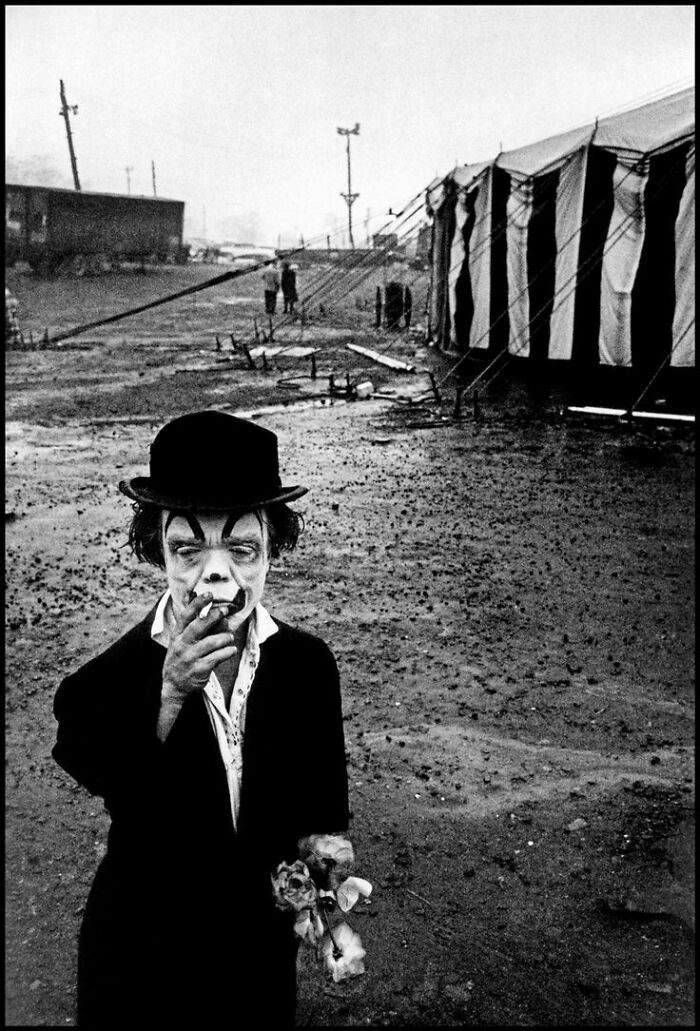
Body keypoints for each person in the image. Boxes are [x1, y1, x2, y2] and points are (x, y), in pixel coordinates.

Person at [52, 410, 350, 1025]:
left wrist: (326, 906)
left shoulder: (307, 666)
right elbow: (96, 761)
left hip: (255, 959)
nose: (216, 573)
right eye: (188, 548)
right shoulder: (102, 683)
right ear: (157, 548)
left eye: (241, 547)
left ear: (272, 550)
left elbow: (321, 807)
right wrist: (168, 692)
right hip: (142, 959)